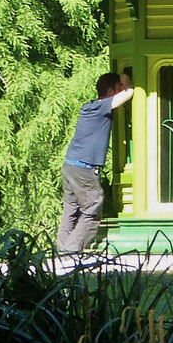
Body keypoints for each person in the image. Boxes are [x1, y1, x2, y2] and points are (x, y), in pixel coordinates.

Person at [56, 71, 134, 254]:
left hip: (71, 166)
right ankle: (71, 252)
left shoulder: (90, 107)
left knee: (71, 210)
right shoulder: (101, 106)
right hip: (84, 168)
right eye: (117, 89)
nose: (120, 92)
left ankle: (62, 250)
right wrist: (126, 78)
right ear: (109, 91)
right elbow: (129, 91)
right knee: (92, 208)